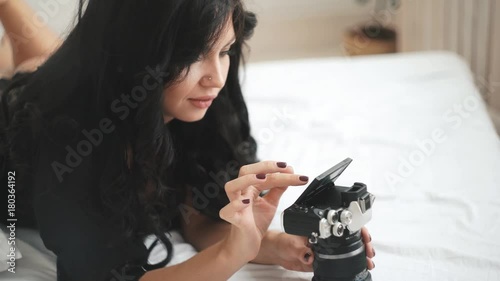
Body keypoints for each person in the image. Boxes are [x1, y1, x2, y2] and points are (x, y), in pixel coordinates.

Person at [0, 0, 376, 280]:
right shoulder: (74, 144)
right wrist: (230, 255)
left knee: (39, 63)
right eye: (192, 54)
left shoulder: (194, 99)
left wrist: (274, 244)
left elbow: (193, 214)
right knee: (29, 74)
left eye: (225, 50)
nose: (216, 77)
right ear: (137, 55)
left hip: (61, 87)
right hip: (15, 135)